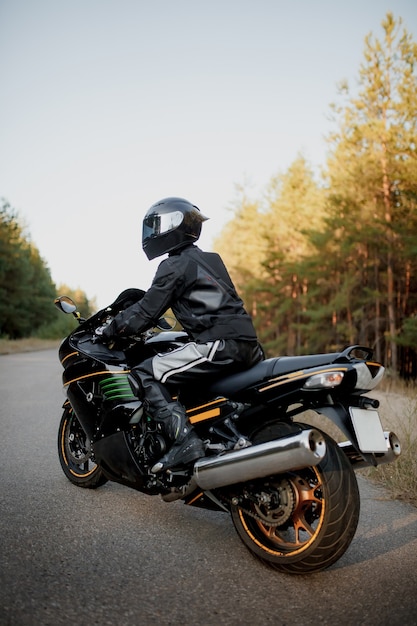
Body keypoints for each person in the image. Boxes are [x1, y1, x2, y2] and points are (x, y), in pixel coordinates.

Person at [101, 197, 264, 474]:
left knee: (145, 373)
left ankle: (185, 442)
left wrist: (112, 328)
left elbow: (145, 312)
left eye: (155, 226)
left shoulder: (175, 265)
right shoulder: (211, 260)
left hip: (218, 345)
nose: (151, 234)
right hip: (249, 345)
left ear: (172, 225)